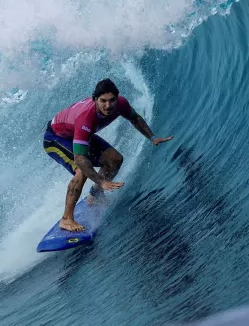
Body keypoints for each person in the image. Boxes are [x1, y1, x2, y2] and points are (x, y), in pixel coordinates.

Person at [43, 78, 173, 232]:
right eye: (103, 101)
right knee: (82, 170)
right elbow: (80, 158)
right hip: (56, 138)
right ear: (95, 100)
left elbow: (135, 118)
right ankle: (66, 219)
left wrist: (152, 137)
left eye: (112, 100)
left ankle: (94, 196)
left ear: (117, 98)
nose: (108, 105)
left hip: (78, 135)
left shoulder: (121, 104)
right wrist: (100, 180)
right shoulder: (86, 117)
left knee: (114, 159)